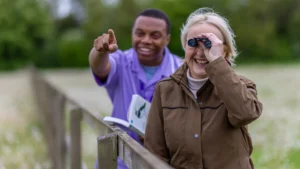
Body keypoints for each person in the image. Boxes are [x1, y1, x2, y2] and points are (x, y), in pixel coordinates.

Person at [144, 7, 263, 169]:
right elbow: (155, 151)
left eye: (208, 45)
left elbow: (245, 113)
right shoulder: (165, 90)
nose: (201, 52)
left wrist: (216, 62)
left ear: (225, 50)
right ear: (185, 47)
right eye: (193, 43)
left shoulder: (242, 86)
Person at [89, 8, 182, 169]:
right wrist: (100, 52)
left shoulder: (181, 70)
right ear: (132, 34)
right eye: (140, 33)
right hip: (117, 161)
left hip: (162, 162)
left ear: (167, 39)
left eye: (155, 35)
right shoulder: (121, 60)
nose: (146, 40)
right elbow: (100, 67)